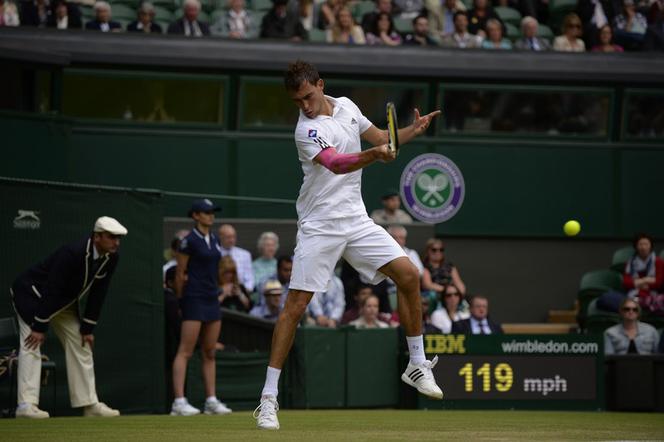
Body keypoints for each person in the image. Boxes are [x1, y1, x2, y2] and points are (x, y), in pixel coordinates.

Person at [252, 60, 442, 431]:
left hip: (355, 221)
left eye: (308, 96)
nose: (304, 106)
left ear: (321, 85)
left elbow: (383, 141)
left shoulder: (349, 107)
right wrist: (376, 156)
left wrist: (412, 131)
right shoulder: (306, 131)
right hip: (319, 226)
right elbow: (337, 164)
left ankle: (417, 365)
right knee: (295, 307)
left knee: (408, 274)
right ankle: (268, 400)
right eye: (297, 101)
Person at [10, 216, 127, 418]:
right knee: (31, 343)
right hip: (31, 295)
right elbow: (53, 287)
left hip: (62, 302)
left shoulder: (111, 257)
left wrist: (88, 328)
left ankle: (89, 404)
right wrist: (39, 326)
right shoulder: (72, 252)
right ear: (97, 236)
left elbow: (99, 291)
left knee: (81, 343)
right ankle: (25, 406)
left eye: (118, 238)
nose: (116, 242)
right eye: (111, 237)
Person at [171, 199, 232, 417]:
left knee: (209, 352)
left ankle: (211, 401)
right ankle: (179, 402)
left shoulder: (214, 239)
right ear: (195, 215)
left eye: (212, 212)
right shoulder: (188, 241)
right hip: (193, 297)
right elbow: (180, 274)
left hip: (211, 298)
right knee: (185, 351)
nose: (211, 216)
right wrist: (181, 300)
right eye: (206, 212)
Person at [623, 233, 664, 315]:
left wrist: (636, 282)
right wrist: (646, 280)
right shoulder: (630, 263)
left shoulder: (658, 262)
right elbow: (626, 283)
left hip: (653, 295)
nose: (643, 247)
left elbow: (659, 283)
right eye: (640, 244)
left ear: (650, 246)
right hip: (634, 295)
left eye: (646, 244)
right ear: (636, 247)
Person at [218, 224, 255, 293]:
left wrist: (243, 291)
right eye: (228, 237)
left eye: (233, 237)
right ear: (220, 237)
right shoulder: (214, 253)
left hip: (240, 291)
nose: (231, 240)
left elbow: (250, 278)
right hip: (219, 291)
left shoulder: (245, 255)